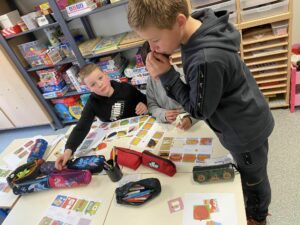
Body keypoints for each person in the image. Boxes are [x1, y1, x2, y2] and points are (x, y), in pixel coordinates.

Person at [127, 1, 274, 225]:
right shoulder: (200, 25)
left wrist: (168, 76)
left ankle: (258, 215)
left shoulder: (205, 59)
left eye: (155, 39)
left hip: (244, 133)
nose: (152, 47)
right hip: (247, 111)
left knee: (254, 179)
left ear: (179, 21)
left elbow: (198, 109)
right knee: (253, 170)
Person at [55, 63, 148, 170]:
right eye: (93, 84)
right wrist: (68, 151)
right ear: (89, 88)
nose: (99, 84)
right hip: (115, 140)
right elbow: (81, 127)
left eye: (100, 78)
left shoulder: (126, 88)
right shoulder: (92, 102)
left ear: (106, 75)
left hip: (137, 133)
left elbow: (145, 99)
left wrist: (144, 105)